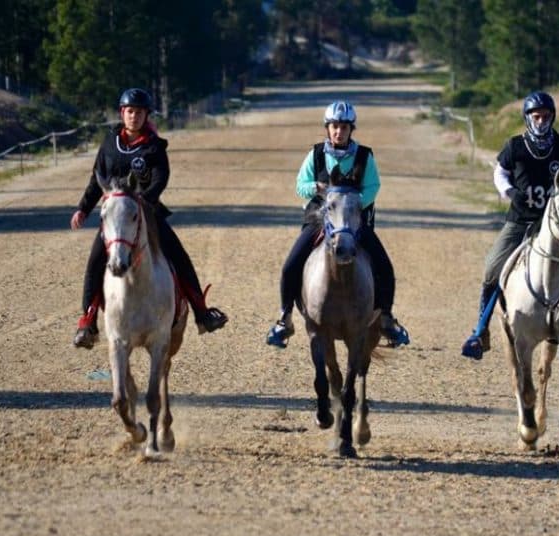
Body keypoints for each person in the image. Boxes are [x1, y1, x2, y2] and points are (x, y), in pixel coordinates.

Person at [461, 91, 559, 360]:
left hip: (557, 226)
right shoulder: (515, 145)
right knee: (492, 269)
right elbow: (500, 171)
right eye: (537, 116)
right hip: (520, 220)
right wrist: (507, 191)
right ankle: (479, 332)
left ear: (552, 117)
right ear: (528, 118)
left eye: (546, 116)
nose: (542, 121)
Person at [70, 87, 228, 349]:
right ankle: (87, 322)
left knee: (178, 255)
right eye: (130, 111)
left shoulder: (154, 147)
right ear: (122, 113)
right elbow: (96, 179)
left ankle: (202, 312)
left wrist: (144, 202)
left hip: (147, 213)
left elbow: (160, 179)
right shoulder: (109, 144)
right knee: (95, 261)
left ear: (146, 116)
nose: (134, 116)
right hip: (116, 218)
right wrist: (83, 209)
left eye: (139, 112)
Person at [266, 100, 410, 349]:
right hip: (318, 222)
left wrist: (351, 207)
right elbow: (300, 185)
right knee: (291, 265)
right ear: (327, 128)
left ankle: (386, 317)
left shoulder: (365, 156)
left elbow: (373, 187)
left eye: (344, 127)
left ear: (351, 129)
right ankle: (285, 318)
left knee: (384, 266)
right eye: (334, 126)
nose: (339, 132)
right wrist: (315, 187)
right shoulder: (316, 154)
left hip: (355, 225)